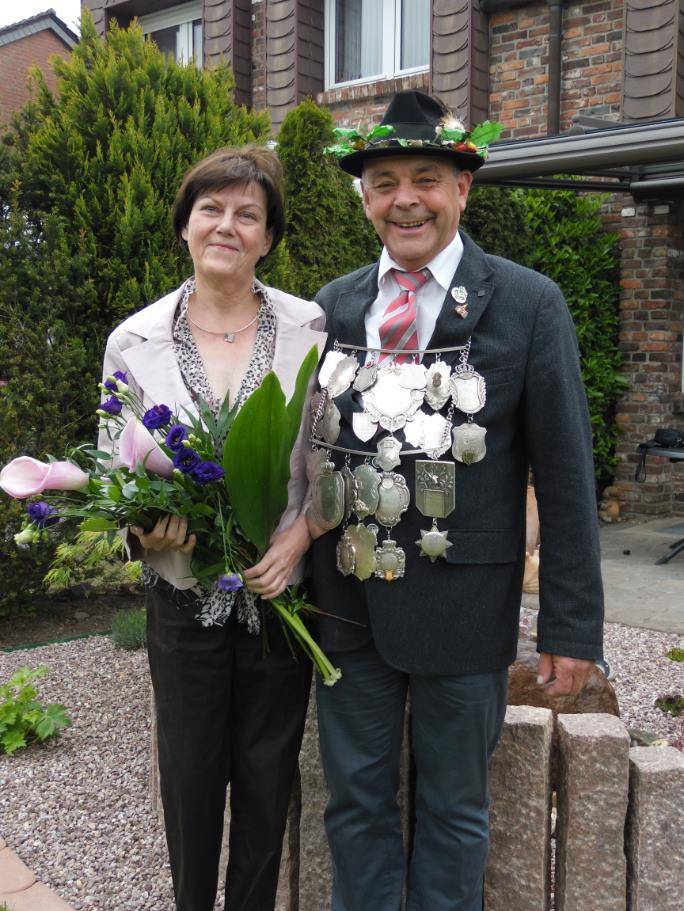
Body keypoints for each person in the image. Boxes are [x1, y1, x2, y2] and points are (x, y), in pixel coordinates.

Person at [306, 90, 604, 911]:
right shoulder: (331, 306)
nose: (405, 199)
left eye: (426, 179)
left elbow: (567, 476)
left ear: (462, 189)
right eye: (385, 182)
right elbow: (308, 456)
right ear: (365, 198)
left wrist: (571, 625)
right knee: (354, 804)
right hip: (347, 603)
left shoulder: (528, 302)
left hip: (466, 606)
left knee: (455, 809)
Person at [99, 146, 326, 911]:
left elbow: (329, 460)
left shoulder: (310, 328)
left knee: (266, 786)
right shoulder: (133, 342)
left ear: (269, 237)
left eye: (247, 214)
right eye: (211, 209)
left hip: (278, 603)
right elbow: (114, 469)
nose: (227, 225)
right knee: (190, 785)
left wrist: (299, 537)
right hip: (183, 604)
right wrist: (145, 530)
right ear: (185, 226)